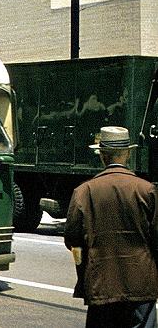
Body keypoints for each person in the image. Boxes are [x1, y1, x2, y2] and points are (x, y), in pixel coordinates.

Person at [65, 126, 158, 328]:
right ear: (127, 154)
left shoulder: (84, 192)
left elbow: (72, 239)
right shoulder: (147, 190)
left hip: (102, 285)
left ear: (102, 156)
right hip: (142, 285)